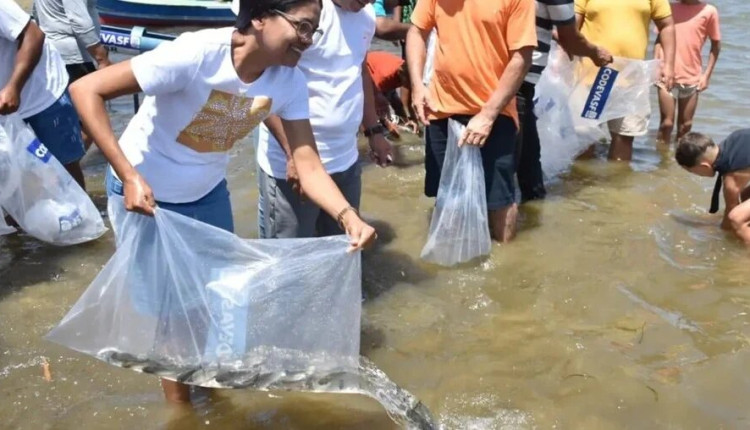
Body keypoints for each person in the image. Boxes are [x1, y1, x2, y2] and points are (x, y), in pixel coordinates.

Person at [68, 0, 377, 404]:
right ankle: (182, 412)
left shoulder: (289, 81)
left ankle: (209, 394)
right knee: (169, 318)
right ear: (260, 17)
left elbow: (307, 162)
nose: (307, 41)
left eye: (313, 32)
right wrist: (128, 175)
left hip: (207, 193)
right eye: (301, 27)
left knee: (210, 307)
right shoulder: (196, 54)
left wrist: (347, 216)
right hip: (147, 199)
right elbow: (85, 89)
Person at [256, 0, 391, 240]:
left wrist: (374, 131)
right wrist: (291, 154)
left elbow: (360, 71)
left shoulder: (367, 16)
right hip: (292, 166)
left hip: (346, 161)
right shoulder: (300, 11)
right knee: (290, 261)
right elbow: (262, 81)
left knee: (344, 248)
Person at [406, 0, 537, 243]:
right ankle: (449, 263)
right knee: (446, 195)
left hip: (496, 113)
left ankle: (504, 269)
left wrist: (488, 115)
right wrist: (417, 86)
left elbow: (522, 57)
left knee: (499, 200)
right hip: (440, 110)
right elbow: (416, 31)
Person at [516, 0, 614, 202]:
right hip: (518, 83)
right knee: (526, 177)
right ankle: (523, 224)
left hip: (478, 75)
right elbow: (569, 37)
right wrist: (595, 53)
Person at [575, 0, 676, 161]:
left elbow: (667, 25)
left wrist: (669, 65)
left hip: (632, 79)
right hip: (591, 77)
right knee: (584, 139)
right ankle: (582, 183)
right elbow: (571, 28)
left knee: (625, 137)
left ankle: (618, 185)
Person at [0, 0, 87, 189]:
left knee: (65, 167)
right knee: (12, 177)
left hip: (44, 92)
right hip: (4, 108)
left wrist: (14, 86)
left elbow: (33, 35)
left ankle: (79, 216)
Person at [33, 0, 112, 151]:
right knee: (93, 122)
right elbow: (79, 21)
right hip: (73, 55)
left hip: (52, 53)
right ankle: (62, 170)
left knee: (68, 122)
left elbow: (36, 14)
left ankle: (58, 166)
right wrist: (102, 58)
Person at [655, 0, 721, 144]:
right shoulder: (669, 8)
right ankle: (661, 162)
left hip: (692, 76)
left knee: (685, 126)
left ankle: (680, 162)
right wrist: (656, 65)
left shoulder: (709, 11)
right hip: (666, 73)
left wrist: (706, 76)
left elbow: (715, 45)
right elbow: (659, 39)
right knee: (666, 124)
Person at [676, 130, 750, 243]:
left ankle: (745, 258)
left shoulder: (731, 179)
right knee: (744, 198)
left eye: (693, 171)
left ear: (704, 166)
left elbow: (729, 218)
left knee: (736, 218)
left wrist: (719, 234)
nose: (697, 175)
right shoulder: (735, 138)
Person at [365, 50, 419, 138]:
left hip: (384, 71)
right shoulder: (384, 76)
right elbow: (375, 103)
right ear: (402, 76)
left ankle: (403, 124)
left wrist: (412, 119)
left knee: (397, 103)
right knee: (378, 106)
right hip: (368, 72)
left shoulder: (409, 72)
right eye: (409, 83)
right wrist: (386, 122)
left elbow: (406, 102)